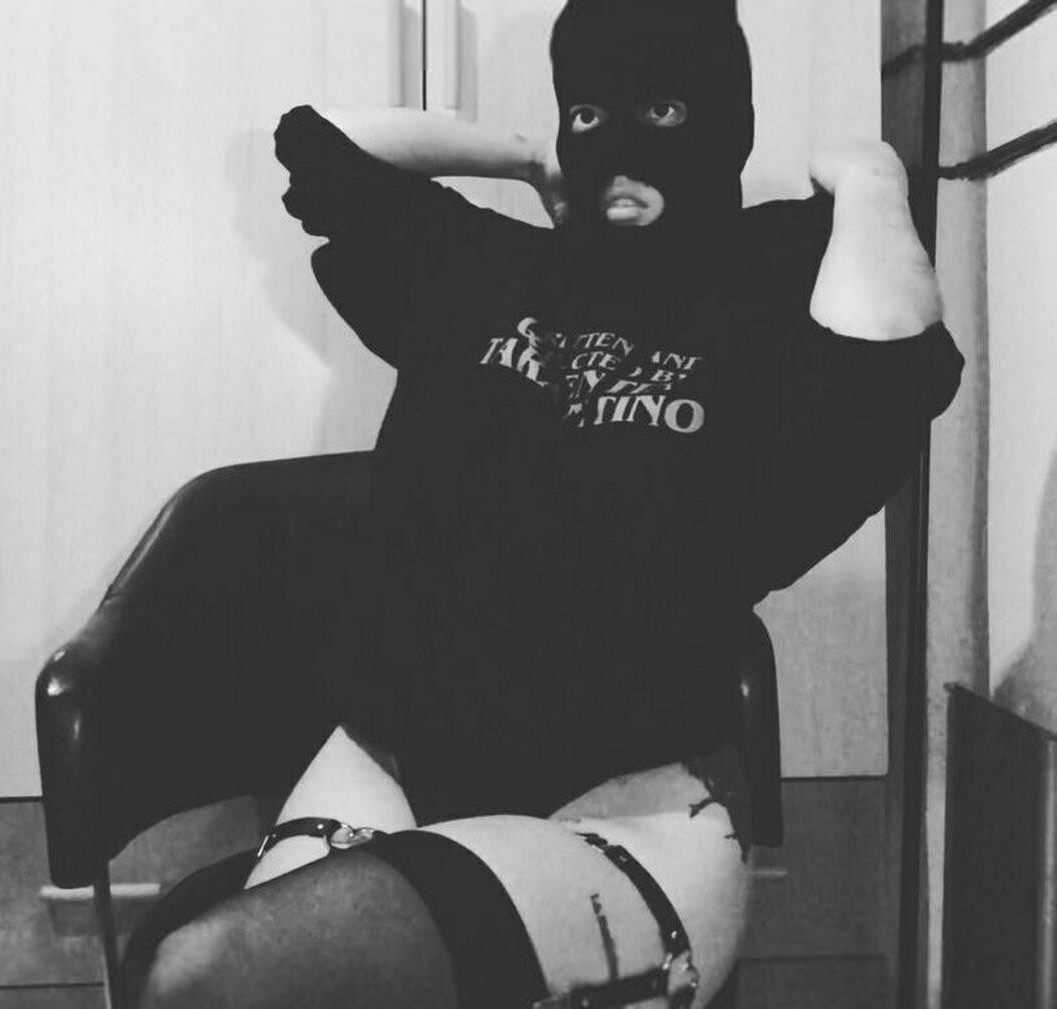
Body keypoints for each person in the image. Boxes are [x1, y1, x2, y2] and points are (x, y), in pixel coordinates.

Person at [137, 1, 964, 1007]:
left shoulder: (768, 276)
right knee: (226, 982)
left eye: (664, 111)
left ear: (727, 121)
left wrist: (870, 179)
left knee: (210, 972)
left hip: (625, 807)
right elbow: (321, 145)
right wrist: (528, 156)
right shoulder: (488, 266)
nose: (621, 149)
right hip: (388, 767)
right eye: (590, 115)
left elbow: (882, 369)